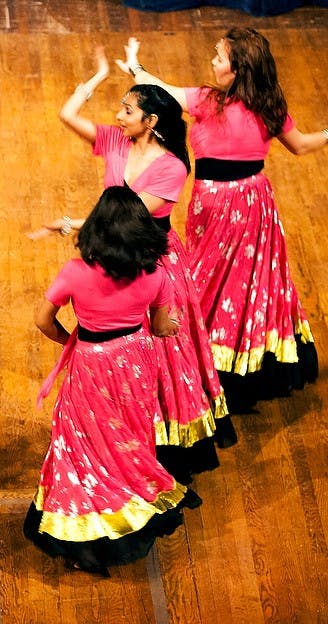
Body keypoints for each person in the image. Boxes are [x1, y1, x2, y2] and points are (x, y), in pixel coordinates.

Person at [33, 49, 235, 483]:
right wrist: (98, 76)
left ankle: (158, 432)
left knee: (159, 345)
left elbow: (130, 218)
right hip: (112, 254)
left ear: (152, 121)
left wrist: (71, 224)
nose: (118, 115)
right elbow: (67, 113)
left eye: (128, 110)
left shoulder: (174, 167)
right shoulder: (112, 140)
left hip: (152, 260)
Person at [118, 29, 326, 411]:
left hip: (250, 206)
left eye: (220, 56)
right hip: (212, 208)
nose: (213, 61)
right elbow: (161, 91)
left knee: (244, 284)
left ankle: (225, 364)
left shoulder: (267, 106)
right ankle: (204, 356)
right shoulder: (206, 99)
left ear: (238, 68)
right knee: (208, 277)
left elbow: (300, 145)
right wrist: (135, 67)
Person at [26, 187, 201, 575]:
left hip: (91, 363)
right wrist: (169, 325)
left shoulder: (74, 272)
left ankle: (86, 530)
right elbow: (160, 327)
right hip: (136, 363)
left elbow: (42, 320)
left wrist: (70, 339)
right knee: (129, 437)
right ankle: (129, 509)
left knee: (81, 444)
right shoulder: (156, 275)